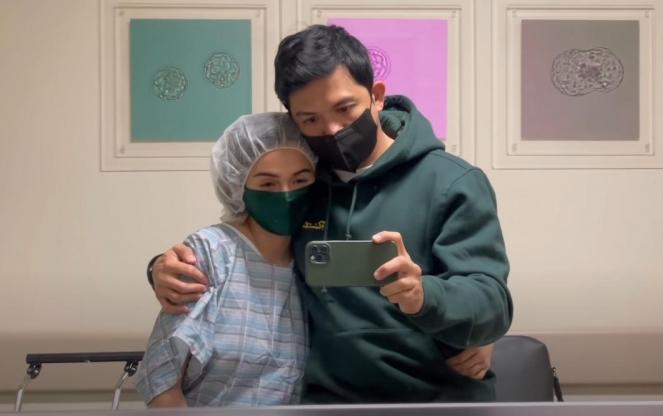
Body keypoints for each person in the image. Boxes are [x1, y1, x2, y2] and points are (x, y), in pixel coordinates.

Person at [150, 24, 513, 403]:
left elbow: (491, 304)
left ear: (376, 97)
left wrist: (426, 296)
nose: (333, 130)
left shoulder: (451, 182)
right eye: (310, 119)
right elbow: (244, 246)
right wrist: (162, 269)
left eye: (344, 108)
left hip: (438, 401)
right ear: (293, 120)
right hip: (325, 403)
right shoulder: (303, 183)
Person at [137, 113, 314, 407]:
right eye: (267, 184)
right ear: (238, 186)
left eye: (300, 180)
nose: (286, 194)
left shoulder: (312, 262)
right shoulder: (212, 253)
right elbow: (161, 381)